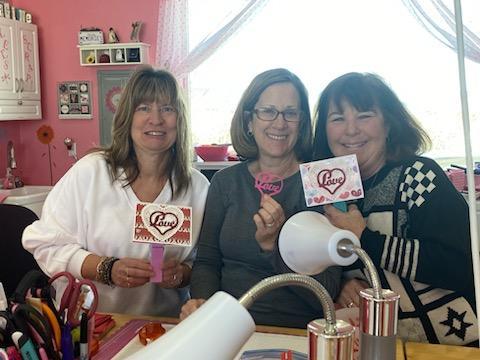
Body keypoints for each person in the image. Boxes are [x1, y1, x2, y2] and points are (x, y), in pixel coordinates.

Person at [22, 66, 209, 317]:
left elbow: (206, 263)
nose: (156, 119)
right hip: (92, 325)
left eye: (167, 109)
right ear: (127, 117)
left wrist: (179, 274)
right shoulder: (91, 173)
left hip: (166, 326)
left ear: (180, 119)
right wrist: (105, 269)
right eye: (143, 108)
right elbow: (44, 245)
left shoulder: (198, 188)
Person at [312, 72, 477, 345]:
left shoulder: (419, 175)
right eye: (338, 118)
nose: (351, 130)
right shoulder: (327, 192)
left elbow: (459, 266)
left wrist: (366, 238)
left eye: (364, 115)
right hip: (376, 346)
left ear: (388, 124)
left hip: (449, 345)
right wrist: (339, 284)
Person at [180, 68, 342, 328]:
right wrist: (203, 308)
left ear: (301, 124)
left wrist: (276, 247)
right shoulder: (225, 182)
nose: (279, 123)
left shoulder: (321, 182)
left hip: (295, 333)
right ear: (248, 121)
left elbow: (327, 290)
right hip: (227, 327)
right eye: (267, 111)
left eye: (290, 113)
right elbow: (207, 262)